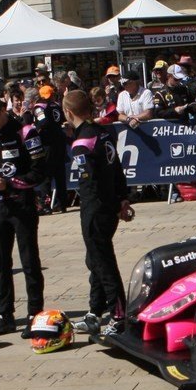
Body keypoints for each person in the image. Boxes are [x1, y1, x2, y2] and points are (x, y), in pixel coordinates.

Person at [0, 95, 47, 336]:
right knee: (0, 263)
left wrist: (10, 183)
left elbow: (39, 172)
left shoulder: (26, 132)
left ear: (2, 112)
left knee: (29, 261)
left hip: (22, 204)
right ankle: (5, 315)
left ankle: (35, 313)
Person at [63, 90, 132, 338]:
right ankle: (94, 312)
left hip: (96, 208)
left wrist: (109, 205)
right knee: (94, 260)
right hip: (109, 205)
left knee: (103, 264)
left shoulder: (82, 143)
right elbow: (117, 169)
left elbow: (91, 183)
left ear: (68, 112)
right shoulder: (102, 133)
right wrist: (122, 199)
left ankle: (119, 316)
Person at [32, 84, 68, 214]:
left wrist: (36, 129)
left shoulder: (39, 107)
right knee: (60, 175)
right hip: (60, 143)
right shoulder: (56, 106)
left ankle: (45, 205)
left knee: (46, 175)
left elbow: (43, 122)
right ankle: (62, 204)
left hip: (48, 144)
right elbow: (63, 120)